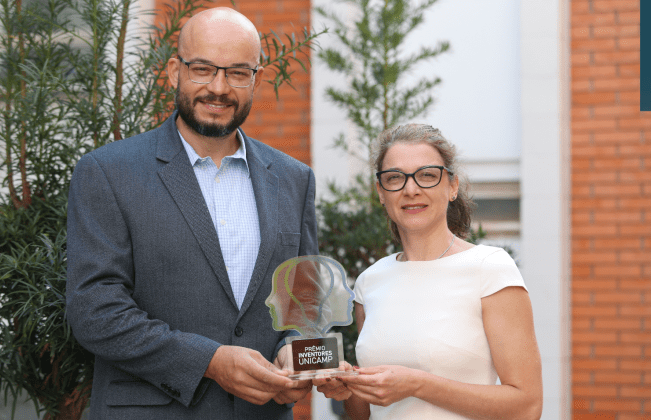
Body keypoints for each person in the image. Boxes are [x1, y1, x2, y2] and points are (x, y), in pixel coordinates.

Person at [65, 7, 316, 419]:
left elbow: (304, 302)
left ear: (256, 78)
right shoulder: (108, 172)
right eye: (202, 69)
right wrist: (210, 361)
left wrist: (297, 353)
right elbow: (94, 310)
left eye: (237, 72)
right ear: (173, 71)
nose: (218, 87)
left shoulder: (294, 179)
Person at [314, 124, 543, 420]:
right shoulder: (370, 282)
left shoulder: (490, 269)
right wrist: (350, 387)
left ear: (452, 186)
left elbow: (527, 406)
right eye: (395, 178)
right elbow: (365, 414)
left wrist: (418, 385)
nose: (411, 189)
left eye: (427, 175)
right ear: (381, 192)